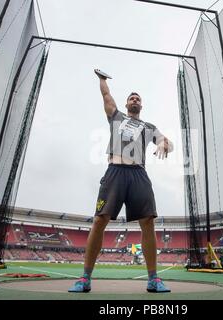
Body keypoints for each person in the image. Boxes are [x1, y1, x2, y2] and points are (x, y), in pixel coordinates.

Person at [68, 69, 173, 293]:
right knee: (99, 220)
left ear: (141, 106)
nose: (134, 100)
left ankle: (154, 279)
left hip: (138, 174)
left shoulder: (148, 126)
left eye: (138, 99)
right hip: (115, 171)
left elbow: (166, 141)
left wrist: (165, 144)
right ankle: (85, 278)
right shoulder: (117, 117)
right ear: (127, 104)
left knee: (148, 222)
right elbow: (106, 97)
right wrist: (103, 81)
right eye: (131, 98)